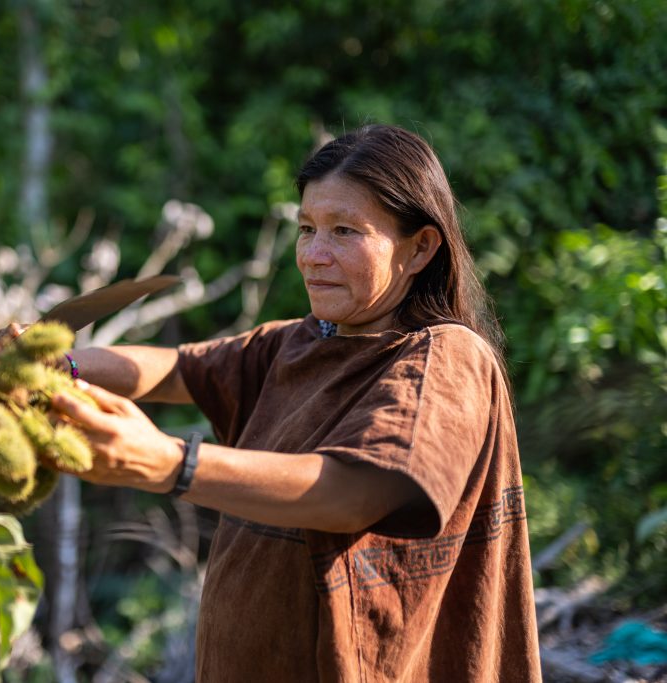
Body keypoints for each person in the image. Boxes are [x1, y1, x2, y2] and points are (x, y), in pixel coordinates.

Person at [47, 125, 542, 681]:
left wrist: (170, 463)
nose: (314, 255)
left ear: (421, 247)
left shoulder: (446, 357)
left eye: (344, 231)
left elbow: (351, 493)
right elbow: (180, 367)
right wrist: (55, 365)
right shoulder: (301, 342)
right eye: (306, 229)